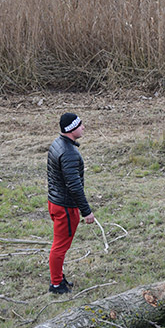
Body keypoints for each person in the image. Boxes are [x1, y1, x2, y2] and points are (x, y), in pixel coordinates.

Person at [46, 112, 96, 294]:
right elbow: (74, 186)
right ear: (71, 129)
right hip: (65, 207)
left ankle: (58, 276)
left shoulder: (57, 144)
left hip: (55, 202)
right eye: (80, 124)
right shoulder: (69, 153)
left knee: (59, 245)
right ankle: (56, 284)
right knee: (60, 247)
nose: (84, 127)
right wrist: (86, 211)